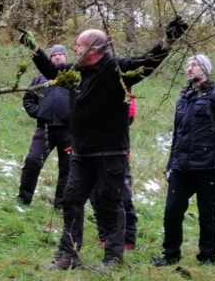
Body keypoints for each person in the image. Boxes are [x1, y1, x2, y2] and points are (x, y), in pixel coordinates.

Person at [19, 16, 188, 270]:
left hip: (110, 151)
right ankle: (68, 255)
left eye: (78, 44)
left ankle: (112, 257)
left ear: (93, 49)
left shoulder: (116, 69)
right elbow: (52, 71)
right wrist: (35, 50)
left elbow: (146, 63)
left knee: (110, 203)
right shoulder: (77, 71)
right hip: (81, 151)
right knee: (71, 201)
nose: (74, 48)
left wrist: (168, 41)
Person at [154, 55, 215, 267]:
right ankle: (171, 254)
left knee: (207, 213)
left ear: (206, 69)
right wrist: (171, 164)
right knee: (172, 211)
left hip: (208, 166)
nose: (190, 69)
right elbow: (177, 133)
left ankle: (207, 257)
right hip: (181, 166)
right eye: (188, 65)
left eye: (195, 65)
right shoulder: (183, 97)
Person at [17, 44, 72, 213]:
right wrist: (37, 112)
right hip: (44, 129)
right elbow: (28, 98)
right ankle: (23, 199)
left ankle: (61, 205)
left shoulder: (73, 77)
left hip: (69, 131)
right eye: (54, 55)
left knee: (68, 169)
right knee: (33, 161)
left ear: (65, 58)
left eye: (60, 55)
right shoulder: (40, 79)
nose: (57, 57)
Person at [90, 91, 138, 251]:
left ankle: (128, 239)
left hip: (116, 151)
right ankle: (105, 236)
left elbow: (129, 116)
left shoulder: (123, 84)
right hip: (91, 149)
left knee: (122, 195)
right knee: (97, 194)